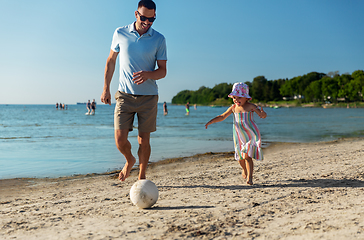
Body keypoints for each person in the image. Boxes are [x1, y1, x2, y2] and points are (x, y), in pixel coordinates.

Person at [100, 0, 167, 182]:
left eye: (152, 19)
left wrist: (148, 74)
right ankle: (129, 159)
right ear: (136, 14)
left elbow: (162, 71)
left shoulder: (159, 39)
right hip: (124, 95)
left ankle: (142, 175)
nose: (147, 22)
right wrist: (106, 88)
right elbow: (111, 61)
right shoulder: (120, 33)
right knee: (120, 140)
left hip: (148, 97)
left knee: (144, 140)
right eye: (144, 18)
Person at [205, 82, 267, 185]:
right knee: (240, 158)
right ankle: (244, 170)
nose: (236, 100)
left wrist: (263, 114)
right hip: (239, 135)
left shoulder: (251, 106)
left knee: (247, 157)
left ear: (246, 98)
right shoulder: (233, 108)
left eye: (239, 98)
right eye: (234, 97)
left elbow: (261, 115)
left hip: (250, 134)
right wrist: (211, 121)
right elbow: (222, 116)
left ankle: (250, 178)